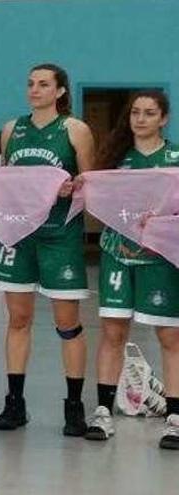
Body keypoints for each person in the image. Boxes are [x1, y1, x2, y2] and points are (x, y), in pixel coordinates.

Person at [0, 64, 96, 436]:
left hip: (59, 235)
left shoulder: (75, 130)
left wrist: (73, 188)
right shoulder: (10, 130)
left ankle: (74, 406)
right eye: (30, 83)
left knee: (67, 323)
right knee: (18, 320)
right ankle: (14, 403)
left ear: (61, 91)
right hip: (19, 235)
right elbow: (3, 181)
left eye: (44, 84)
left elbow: (90, 186)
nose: (34, 90)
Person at [84, 89, 179, 449]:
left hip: (161, 258)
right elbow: (97, 206)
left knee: (170, 337)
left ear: (163, 118)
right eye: (135, 112)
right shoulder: (114, 159)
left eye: (149, 113)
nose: (140, 119)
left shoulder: (174, 159)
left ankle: (175, 415)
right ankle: (104, 413)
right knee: (112, 333)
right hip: (117, 255)